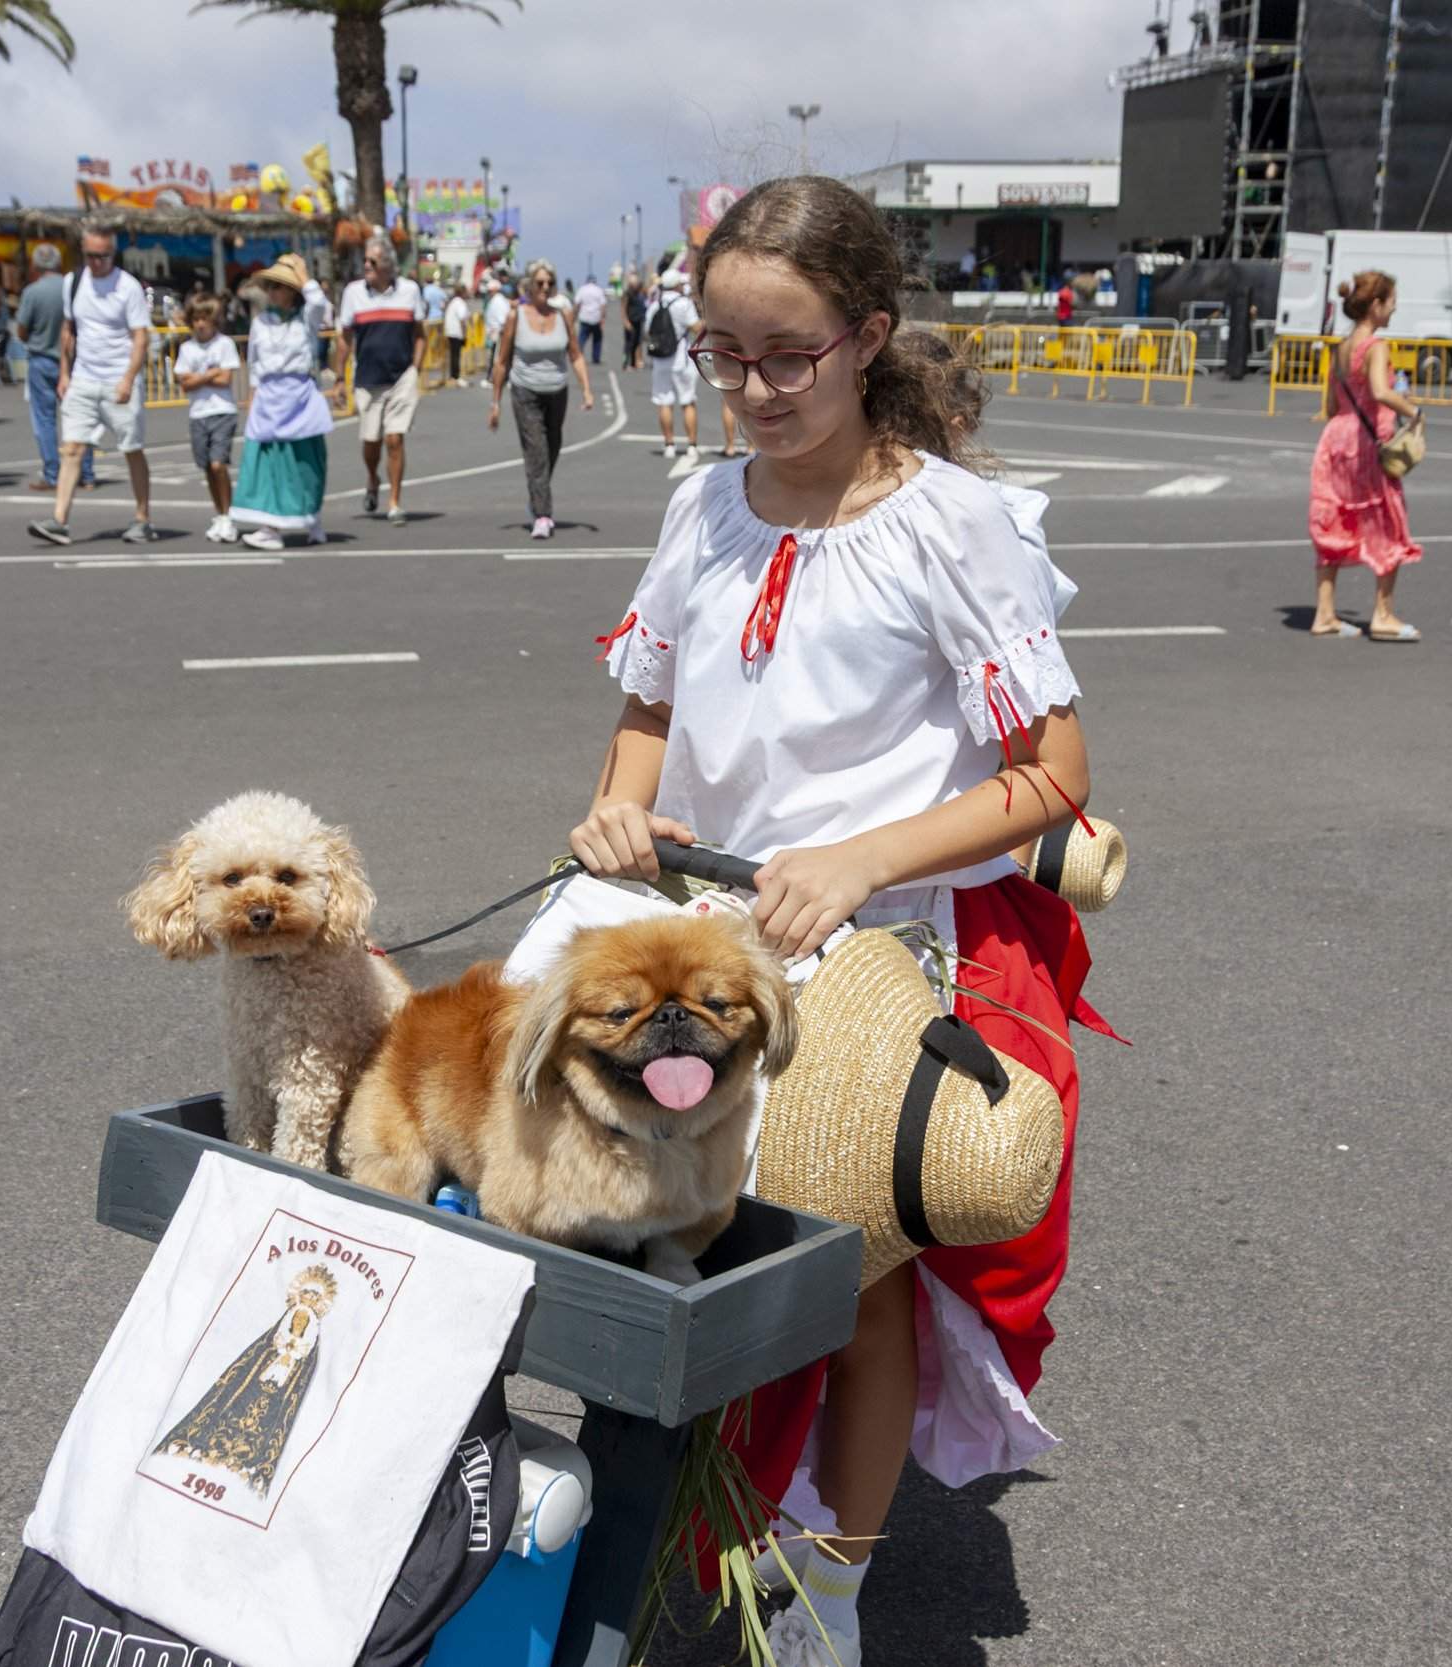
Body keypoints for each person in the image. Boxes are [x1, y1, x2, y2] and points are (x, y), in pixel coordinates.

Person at [570, 174, 1095, 1667]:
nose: (749, 389)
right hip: (693, 941)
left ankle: (829, 1587)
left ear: (868, 337)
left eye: (786, 356)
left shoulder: (957, 525)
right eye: (720, 354)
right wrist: (621, 810)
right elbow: (645, 714)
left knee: (844, 1282)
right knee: (637, 1246)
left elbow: (1053, 777)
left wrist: (862, 857)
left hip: (867, 963)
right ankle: (653, 1530)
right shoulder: (698, 502)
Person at [1306, 270, 1424, 640]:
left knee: (1334, 518)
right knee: (1386, 519)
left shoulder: (1339, 349)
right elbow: (1379, 391)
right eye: (1391, 302)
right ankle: (1383, 615)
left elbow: (1329, 404)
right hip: (1365, 442)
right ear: (1376, 306)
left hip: (1335, 440)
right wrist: (1412, 411)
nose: (1394, 308)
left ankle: (1325, 614)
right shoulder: (1376, 347)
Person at [30, 223, 155, 547]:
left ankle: (142, 518)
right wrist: (64, 373)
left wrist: (129, 378)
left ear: (113, 254)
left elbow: (140, 337)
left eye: (103, 256)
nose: (97, 262)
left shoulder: (127, 287)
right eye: (91, 255)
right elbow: (69, 330)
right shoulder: (73, 283)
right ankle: (59, 520)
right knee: (72, 447)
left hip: (118, 378)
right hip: (84, 376)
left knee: (131, 449)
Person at [487, 258, 596, 540]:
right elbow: (501, 361)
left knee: (552, 448)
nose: (545, 288)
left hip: (557, 390)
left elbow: (575, 354)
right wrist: (495, 403)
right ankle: (543, 515)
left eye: (550, 283)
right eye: (540, 283)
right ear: (529, 286)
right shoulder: (516, 316)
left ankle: (537, 495)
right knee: (536, 451)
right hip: (525, 390)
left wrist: (586, 389)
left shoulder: (562, 316)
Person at [231, 254, 333, 551]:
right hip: (269, 396)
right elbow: (255, 362)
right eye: (271, 286)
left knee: (304, 461)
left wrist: (302, 273)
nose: (273, 292)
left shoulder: (306, 319)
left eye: (280, 286)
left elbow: (319, 304)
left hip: (298, 395)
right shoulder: (261, 322)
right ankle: (270, 527)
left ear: (292, 291)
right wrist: (253, 397)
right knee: (267, 463)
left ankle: (309, 516)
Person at [334, 236, 428, 526]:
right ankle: (373, 478)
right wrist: (339, 377)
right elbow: (345, 337)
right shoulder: (353, 293)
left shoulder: (409, 291)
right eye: (365, 260)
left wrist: (416, 368)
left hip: (401, 377)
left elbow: (420, 333)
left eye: (372, 262)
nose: (366, 266)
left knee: (394, 439)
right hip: (367, 378)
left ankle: (395, 502)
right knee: (371, 441)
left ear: (388, 265)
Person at [14, 244, 98, 494]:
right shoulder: (72, 287)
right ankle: (86, 473)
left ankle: (52, 474)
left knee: (45, 420)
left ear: (36, 266)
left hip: (42, 359)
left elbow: (21, 329)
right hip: (74, 360)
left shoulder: (32, 292)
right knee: (81, 417)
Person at [174, 294, 244, 543]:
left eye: (205, 319)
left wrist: (198, 377)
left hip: (222, 411)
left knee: (218, 464)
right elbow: (185, 382)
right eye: (196, 319)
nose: (200, 324)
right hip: (198, 413)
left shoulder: (224, 344)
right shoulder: (186, 348)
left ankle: (228, 515)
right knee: (206, 467)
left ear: (214, 320)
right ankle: (219, 514)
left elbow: (225, 379)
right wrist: (210, 374)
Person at [642, 266, 700, 458]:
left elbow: (647, 332)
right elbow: (697, 328)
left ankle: (669, 444)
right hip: (681, 360)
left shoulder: (654, 305)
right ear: (677, 285)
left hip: (660, 360)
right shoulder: (684, 304)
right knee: (687, 402)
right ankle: (691, 445)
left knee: (664, 402)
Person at [482, 276, 513, 387]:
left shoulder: (498, 301)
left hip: (499, 334)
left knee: (498, 359)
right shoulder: (497, 300)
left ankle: (494, 379)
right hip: (495, 334)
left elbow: (502, 320)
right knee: (497, 358)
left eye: (490, 290)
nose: (489, 292)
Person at [572, 272, 609, 364]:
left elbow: (577, 304)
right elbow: (603, 305)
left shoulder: (582, 290)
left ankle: (578, 355)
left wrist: (574, 316)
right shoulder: (599, 290)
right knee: (597, 339)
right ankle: (596, 358)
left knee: (582, 338)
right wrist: (603, 317)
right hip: (596, 318)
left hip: (584, 317)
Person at [441, 283, 470, 384]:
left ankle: (453, 375)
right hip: (457, 332)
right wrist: (464, 334)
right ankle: (455, 376)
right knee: (456, 355)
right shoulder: (460, 303)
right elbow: (462, 319)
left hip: (450, 331)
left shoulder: (453, 302)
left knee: (454, 354)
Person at [622, 276, 647, 370]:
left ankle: (633, 363)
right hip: (630, 321)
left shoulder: (639, 293)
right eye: (635, 284)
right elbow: (623, 309)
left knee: (636, 343)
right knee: (629, 344)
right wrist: (626, 321)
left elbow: (646, 290)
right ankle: (625, 363)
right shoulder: (627, 294)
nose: (637, 286)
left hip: (638, 321)